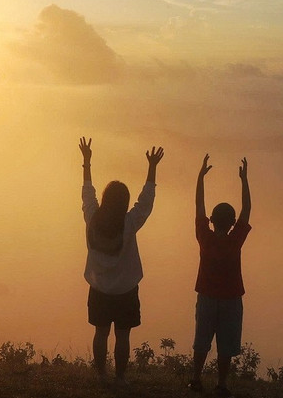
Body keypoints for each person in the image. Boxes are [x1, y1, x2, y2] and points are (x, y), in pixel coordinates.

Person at [78, 136, 164, 385]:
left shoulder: (92, 219)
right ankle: (120, 377)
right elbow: (145, 203)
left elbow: (87, 195)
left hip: (99, 288)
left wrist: (86, 162)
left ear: (105, 200)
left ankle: (101, 374)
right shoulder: (129, 224)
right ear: (124, 202)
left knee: (100, 333)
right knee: (123, 336)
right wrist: (152, 167)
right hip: (126, 290)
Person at [188, 154, 251, 398]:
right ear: (233, 222)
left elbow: (198, 206)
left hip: (206, 297)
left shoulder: (205, 237)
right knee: (226, 345)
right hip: (231, 299)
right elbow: (247, 209)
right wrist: (244, 180)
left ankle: (195, 379)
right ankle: (222, 384)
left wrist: (200, 178)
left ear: (212, 221)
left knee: (201, 341)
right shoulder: (235, 240)